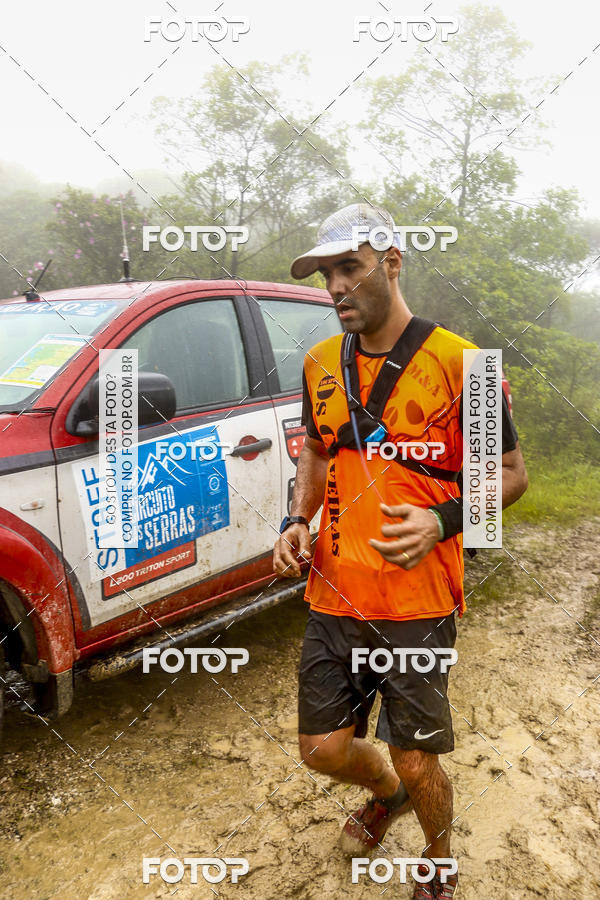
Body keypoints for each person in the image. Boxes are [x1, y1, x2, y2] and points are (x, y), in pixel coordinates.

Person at [272, 204, 528, 899]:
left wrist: (444, 520)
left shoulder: (463, 364)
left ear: (391, 261)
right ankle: (387, 795)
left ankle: (439, 854)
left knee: (417, 758)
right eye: (326, 274)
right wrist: (295, 520)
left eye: (348, 267)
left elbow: (509, 476)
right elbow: (319, 452)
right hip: (333, 592)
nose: (335, 288)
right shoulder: (320, 362)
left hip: (417, 602)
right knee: (321, 749)